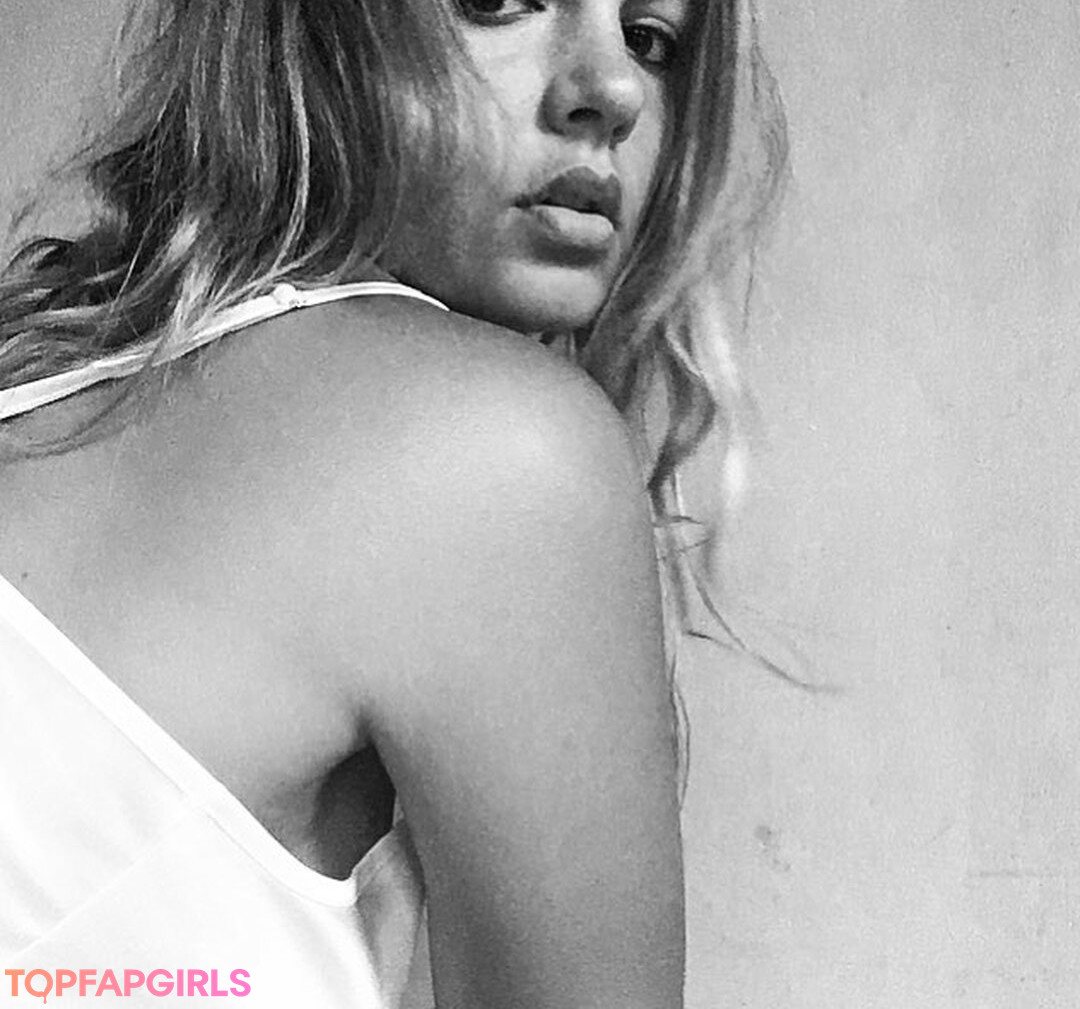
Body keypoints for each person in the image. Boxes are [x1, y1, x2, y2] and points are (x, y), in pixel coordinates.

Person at [0, 0, 780, 1005]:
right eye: (499, 3)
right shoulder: (509, 454)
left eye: (651, 39)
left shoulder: (41, 374)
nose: (614, 89)